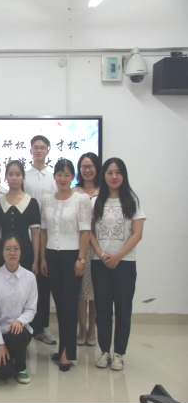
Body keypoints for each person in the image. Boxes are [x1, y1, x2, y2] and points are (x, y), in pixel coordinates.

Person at [91, 158, 146, 372]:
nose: (114, 177)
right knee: (103, 310)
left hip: (125, 264)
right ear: (103, 176)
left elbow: (137, 233)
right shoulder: (96, 201)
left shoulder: (132, 200)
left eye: (118, 172)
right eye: (110, 172)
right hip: (100, 263)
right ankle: (104, 351)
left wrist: (118, 256)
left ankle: (119, 354)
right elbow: (90, 233)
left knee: (123, 309)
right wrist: (101, 254)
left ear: (123, 175)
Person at [40, 159, 91, 372]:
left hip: (72, 258)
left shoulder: (81, 199)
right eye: (59, 174)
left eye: (67, 175)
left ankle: (66, 354)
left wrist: (81, 259)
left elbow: (85, 232)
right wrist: (43, 258)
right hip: (52, 256)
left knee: (69, 306)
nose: (62, 178)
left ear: (72, 177)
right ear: (54, 176)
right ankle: (65, 348)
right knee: (60, 307)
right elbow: (44, 231)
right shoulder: (47, 200)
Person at [0, 234, 38, 384]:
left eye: (16, 249)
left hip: (19, 332)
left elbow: (31, 310)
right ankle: (8, 355)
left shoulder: (30, 277)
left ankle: (21, 367)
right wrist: (0, 344)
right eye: (8, 249)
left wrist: (19, 321)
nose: (12, 253)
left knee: (17, 332)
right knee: (3, 374)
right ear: (2, 252)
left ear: (21, 251)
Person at [24, 135, 58, 346]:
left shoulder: (53, 178)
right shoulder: (24, 177)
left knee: (43, 284)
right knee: (25, 284)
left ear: (47, 151)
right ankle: (24, 325)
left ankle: (43, 327)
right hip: (25, 238)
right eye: (35, 147)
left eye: (42, 147)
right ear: (30, 151)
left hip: (47, 236)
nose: (39, 150)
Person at [0, 160, 41, 273]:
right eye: (10, 174)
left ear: (23, 177)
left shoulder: (32, 203)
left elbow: (35, 234)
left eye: (18, 174)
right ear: (5, 177)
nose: (14, 178)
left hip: (26, 254)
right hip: (3, 255)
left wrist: (36, 260)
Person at [73, 152, 101, 347]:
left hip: (100, 247)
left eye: (90, 166)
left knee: (97, 291)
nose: (87, 170)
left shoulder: (104, 191)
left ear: (97, 168)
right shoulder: (74, 192)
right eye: (83, 166)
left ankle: (93, 329)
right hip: (81, 246)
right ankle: (81, 329)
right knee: (81, 292)